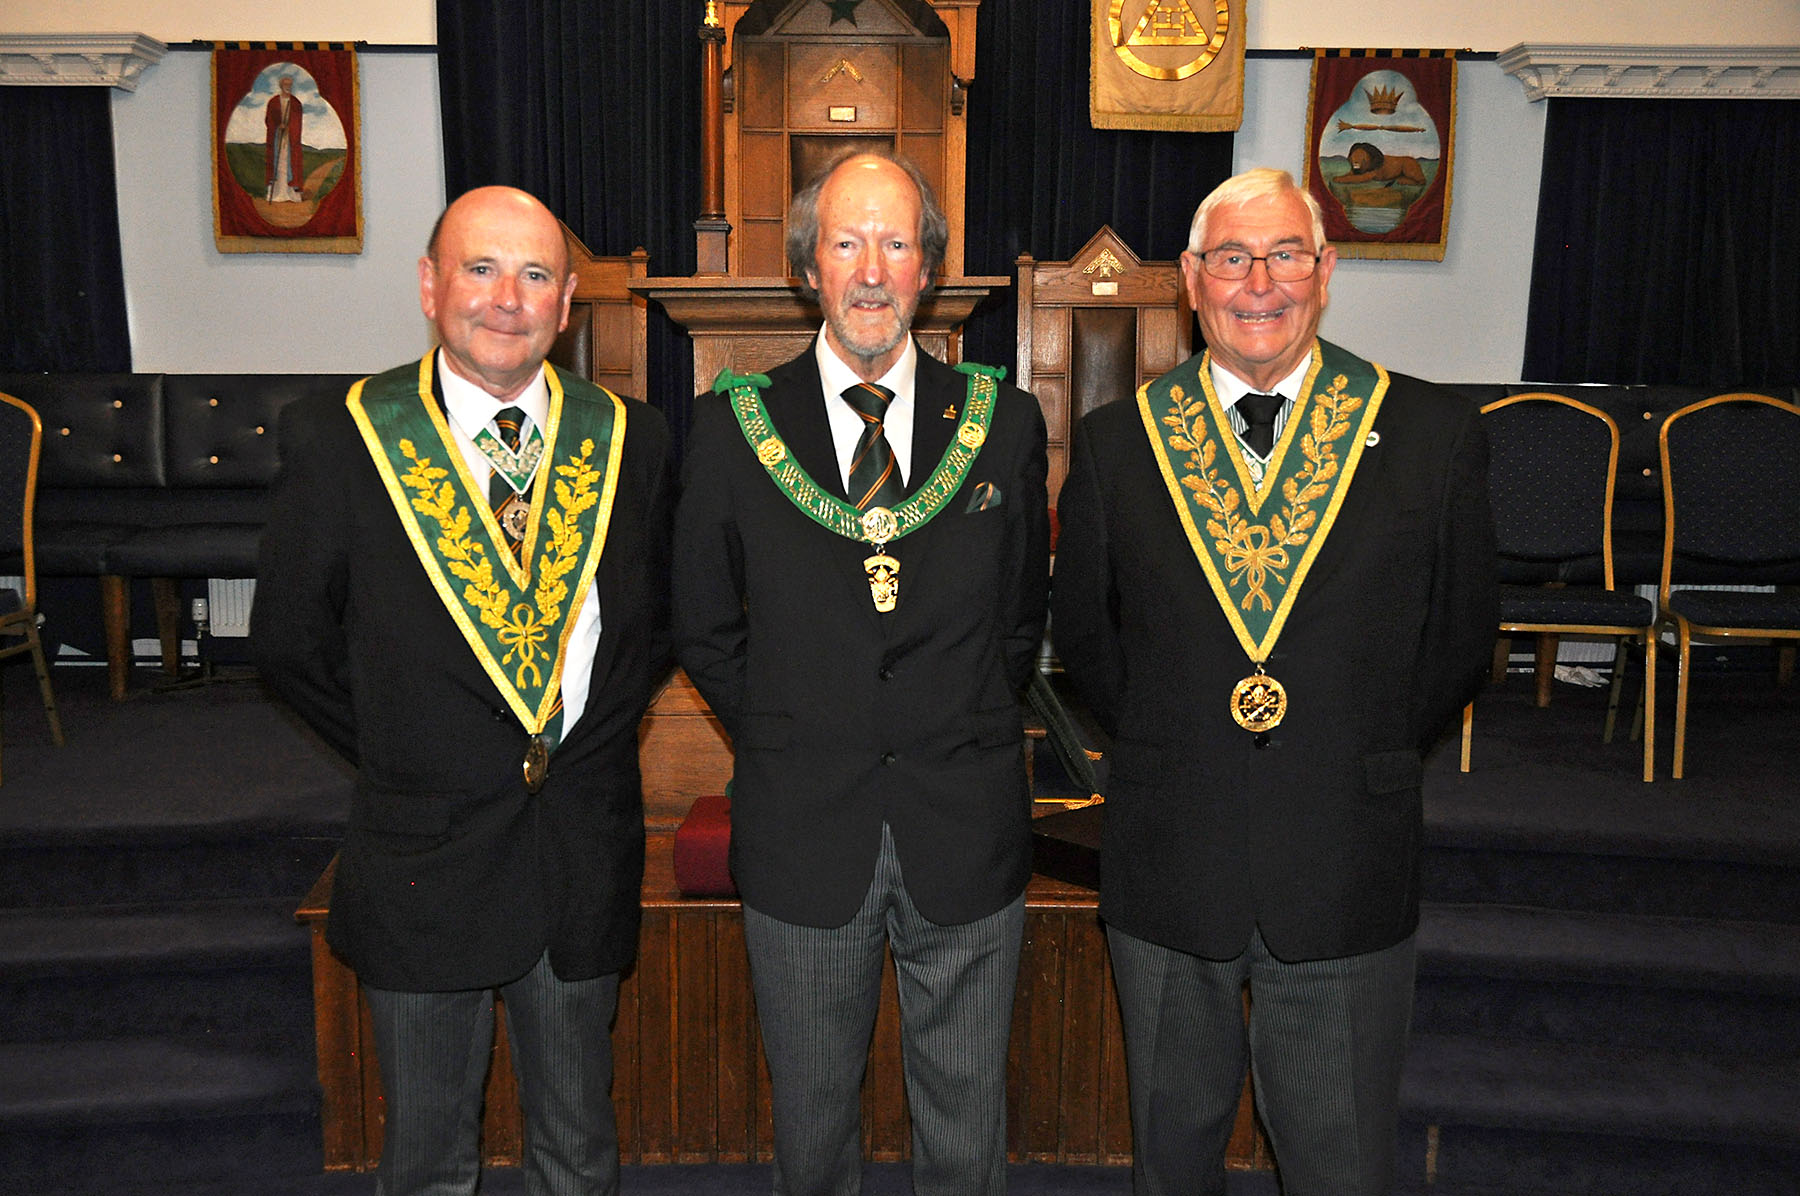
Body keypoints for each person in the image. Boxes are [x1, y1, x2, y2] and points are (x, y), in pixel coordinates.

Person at [1050, 167, 1496, 1196]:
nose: (1261, 282)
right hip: (1171, 859)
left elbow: (1459, 638)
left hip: (1344, 855)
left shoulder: (1430, 436)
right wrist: (1175, 742)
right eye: (1232, 259)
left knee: (1339, 1163)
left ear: (1325, 271)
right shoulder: (1122, 445)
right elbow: (1088, 635)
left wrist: (1356, 745)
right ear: (1191, 285)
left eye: (1285, 254)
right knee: (1171, 1161)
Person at [251, 185, 670, 1196]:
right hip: (421, 858)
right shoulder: (345, 436)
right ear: (431, 286)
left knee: (577, 1152)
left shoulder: (634, 441)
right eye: (480, 269)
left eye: (534, 275)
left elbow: (649, 637)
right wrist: (410, 751)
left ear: (568, 302)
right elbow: (290, 647)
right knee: (430, 1160)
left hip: (576, 858)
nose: (507, 298)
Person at [672, 150, 1050, 1196]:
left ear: (929, 267)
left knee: (968, 1129)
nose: (872, 269)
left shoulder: (1002, 423)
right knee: (813, 1128)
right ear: (809, 267)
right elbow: (702, 626)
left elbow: (1020, 621)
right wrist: (796, 727)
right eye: (847, 242)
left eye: (896, 242)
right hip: (803, 820)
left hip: (964, 818)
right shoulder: (731, 429)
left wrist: (955, 716)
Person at [265, 75, 304, 202]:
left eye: (290, 85)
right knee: (278, 161)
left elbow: (298, 121)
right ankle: (277, 193)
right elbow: (269, 119)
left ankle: (291, 193)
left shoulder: (296, 103)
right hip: (277, 137)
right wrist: (278, 126)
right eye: (286, 85)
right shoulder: (274, 102)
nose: (288, 87)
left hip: (290, 139)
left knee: (290, 162)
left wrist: (289, 127)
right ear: (281, 86)